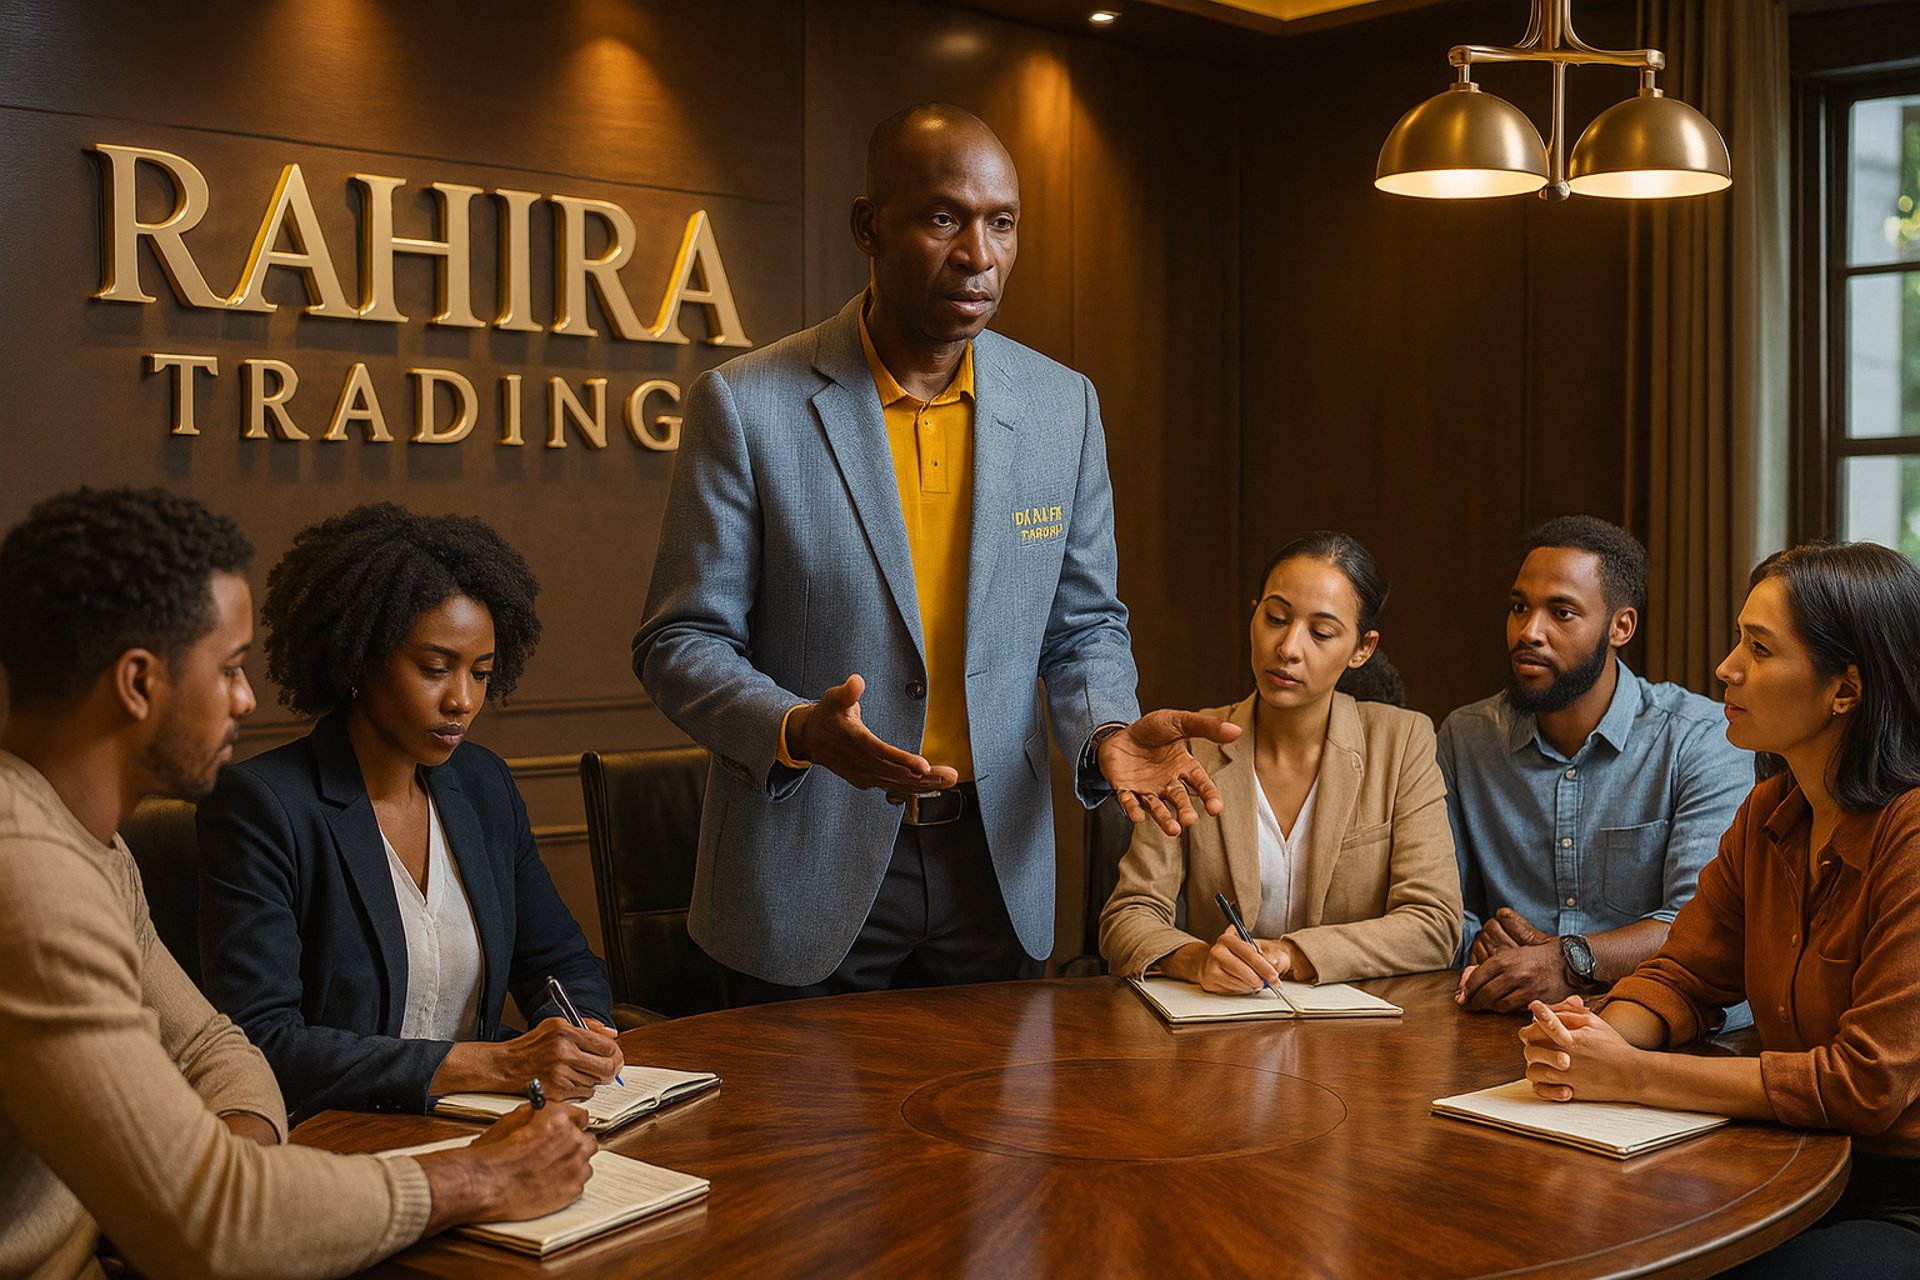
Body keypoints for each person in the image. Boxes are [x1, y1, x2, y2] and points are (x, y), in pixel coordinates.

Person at [632, 103, 1237, 1000]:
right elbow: (678, 642)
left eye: (1002, 223)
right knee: (805, 1146)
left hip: (994, 870)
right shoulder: (746, 406)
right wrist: (797, 730)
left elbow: (1084, 628)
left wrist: (1106, 727)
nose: (978, 255)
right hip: (806, 872)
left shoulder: (1062, 406)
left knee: (994, 1144)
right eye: (944, 217)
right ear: (868, 226)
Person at [0, 488, 593, 1280]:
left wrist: (239, 1166)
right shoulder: (26, 876)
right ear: (140, 683)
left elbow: (215, 1044)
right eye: (230, 669)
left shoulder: (92, 850)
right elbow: (210, 1223)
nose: (247, 699)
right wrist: (481, 1177)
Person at [1519, 542, 1920, 1275]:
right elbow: (1685, 975)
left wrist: (1632, 1074)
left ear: (1847, 690)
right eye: (1740, 638)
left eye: (1760, 649)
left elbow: (1865, 1084)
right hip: (1795, 1158)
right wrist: (1591, 1037)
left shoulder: (1913, 834)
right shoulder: (1772, 809)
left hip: (1899, 1193)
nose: (1727, 668)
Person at [197, 502, 621, 1122]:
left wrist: (582, 1032)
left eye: (481, 673)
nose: (462, 700)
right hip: (335, 1138)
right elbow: (263, 1043)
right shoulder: (263, 806)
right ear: (359, 660)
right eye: (434, 668)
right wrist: (498, 1065)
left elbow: (558, 960)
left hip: (486, 1121)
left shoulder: (483, 785)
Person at [1100, 533, 1461, 988]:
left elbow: (1435, 923)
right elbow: (1128, 914)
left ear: (1361, 649)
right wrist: (1197, 959)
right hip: (1217, 1026)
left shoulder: (1402, 742)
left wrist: (1292, 954)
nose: (1289, 647)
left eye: (1321, 632)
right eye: (1275, 618)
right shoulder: (1193, 747)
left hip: (1355, 1037)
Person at [1440, 516, 1751, 1014]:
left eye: (1561, 613)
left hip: (1675, 1031)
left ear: (1620, 627)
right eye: (1519, 607)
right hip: (1503, 1019)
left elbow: (1701, 927)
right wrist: (1485, 944)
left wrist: (1568, 960)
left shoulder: (1699, 738)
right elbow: (1446, 911)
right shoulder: (1466, 737)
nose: (1529, 632)